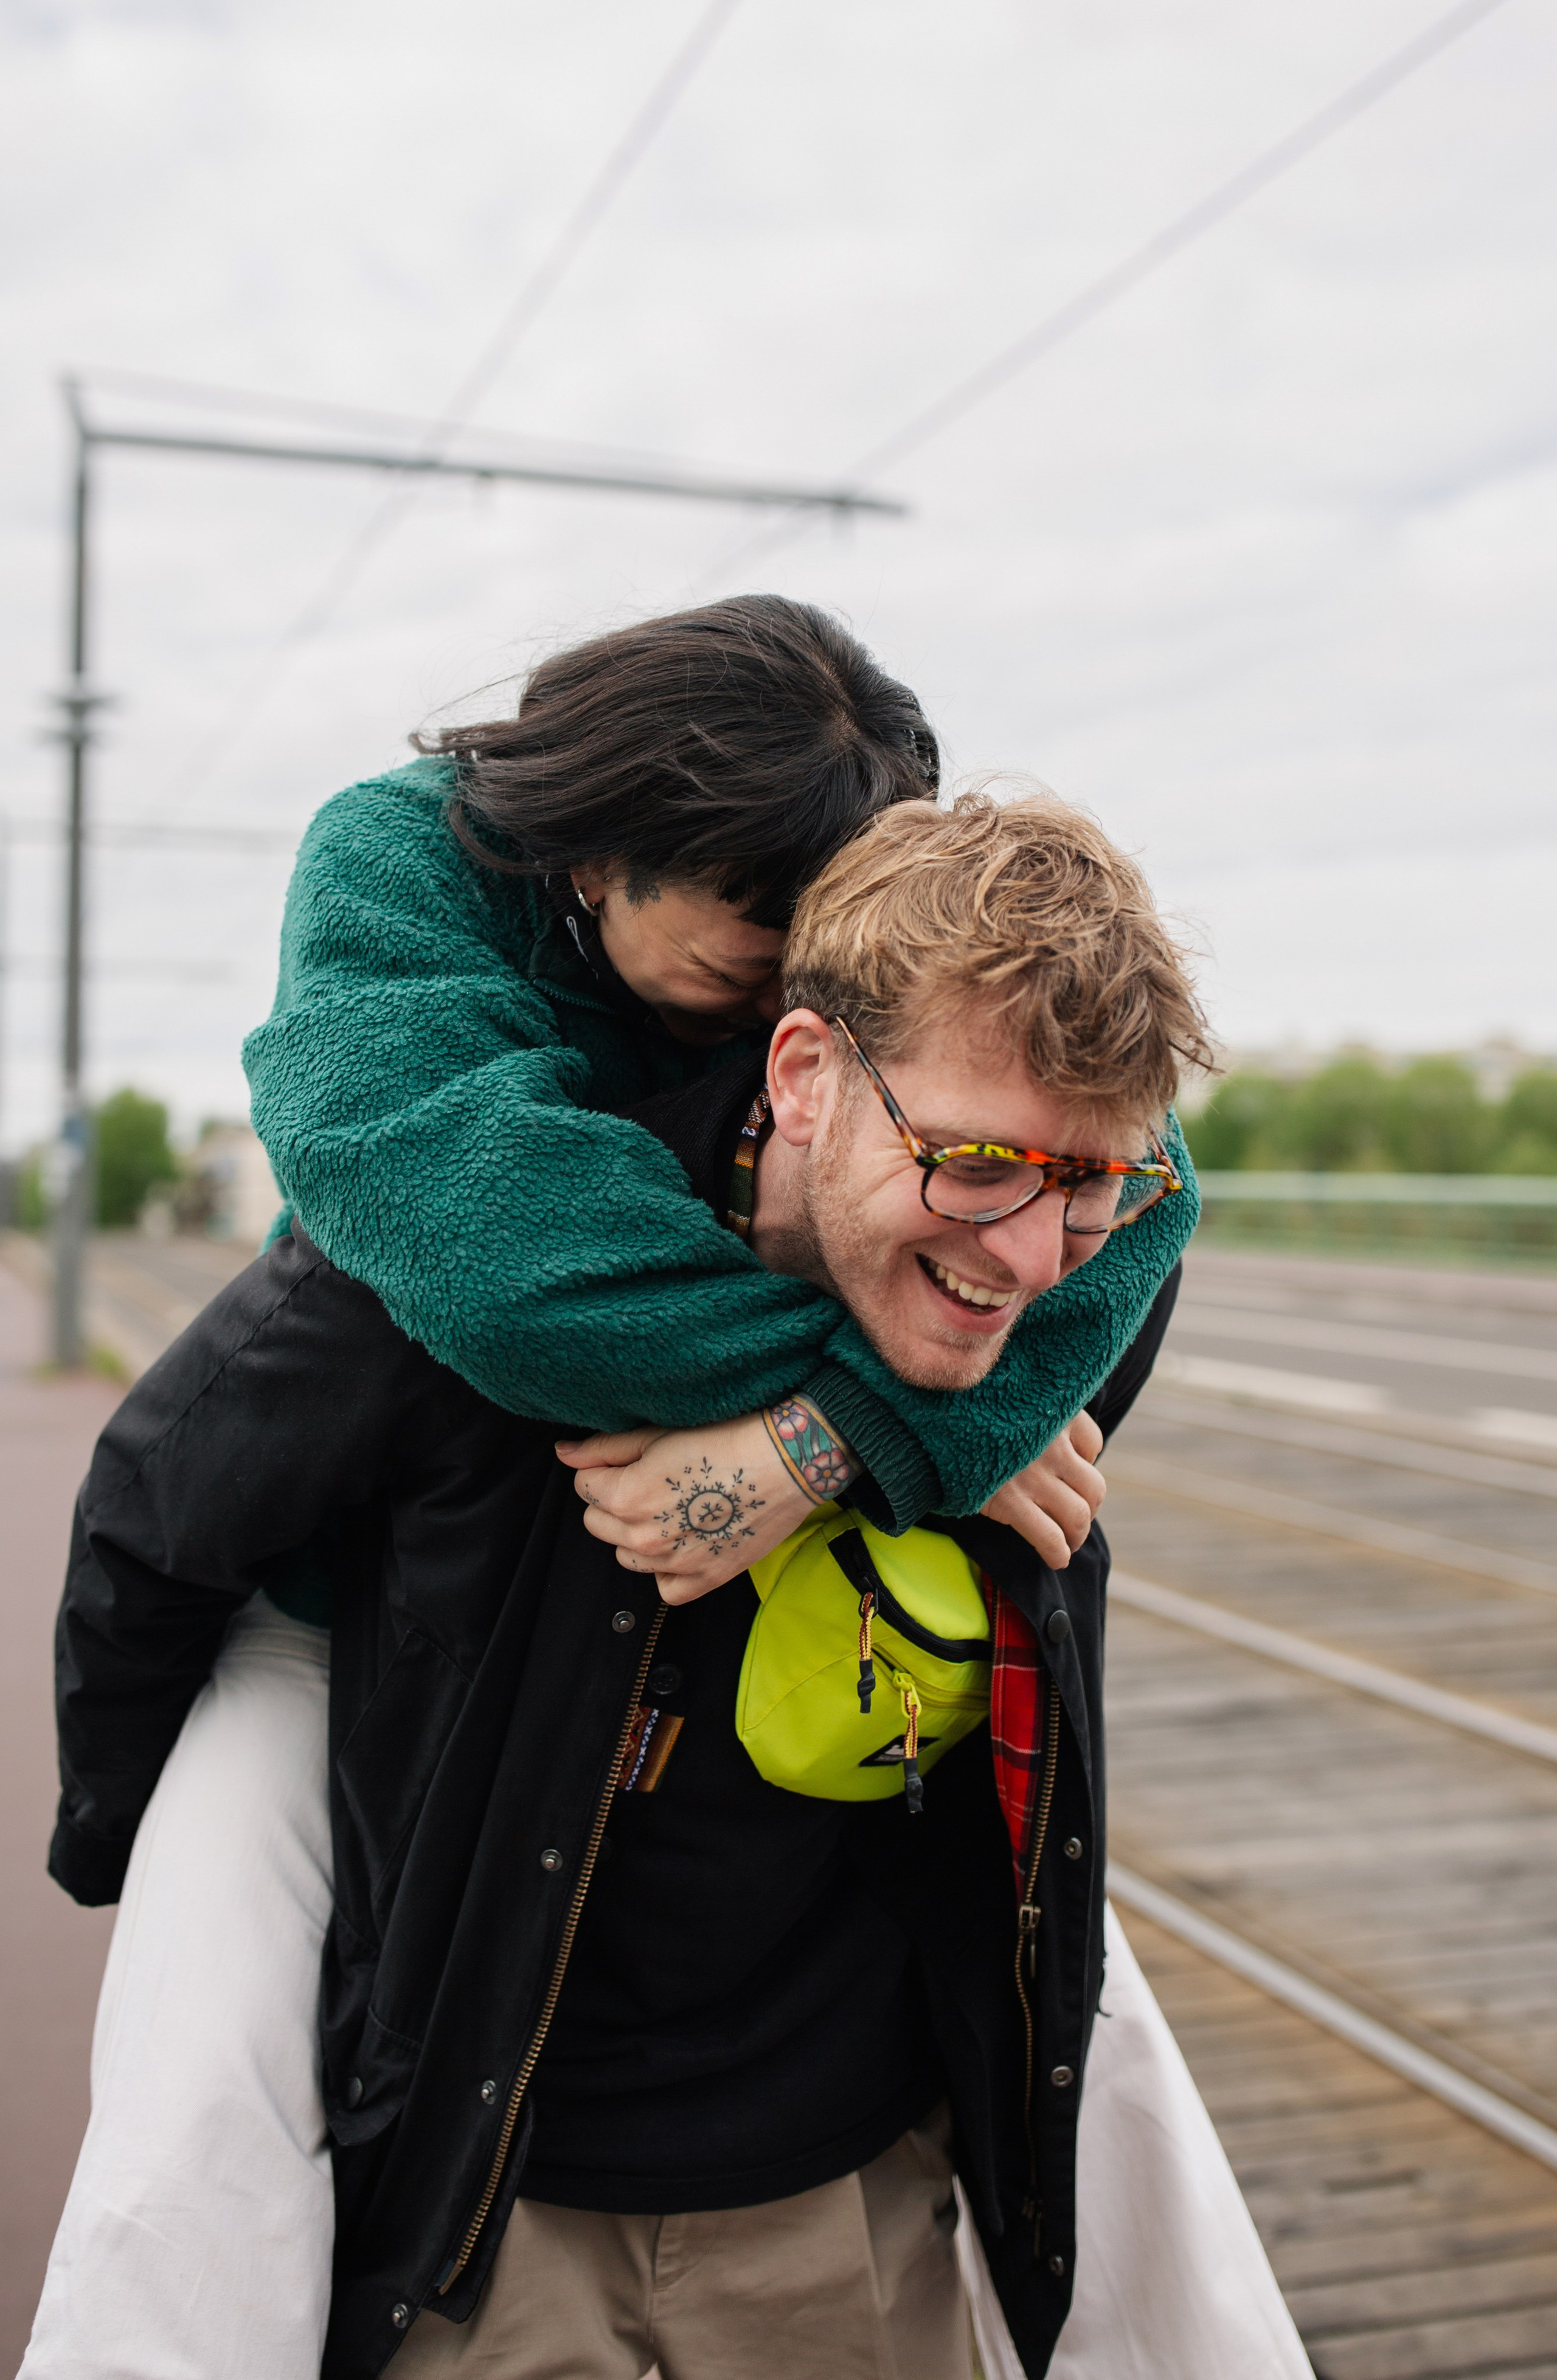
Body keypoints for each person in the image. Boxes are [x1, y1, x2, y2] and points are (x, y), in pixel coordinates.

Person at [24, 598, 1196, 2380]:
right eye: (765, 926)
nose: (802, 963)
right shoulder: (406, 878)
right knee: (193, 2114)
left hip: (819, 2151)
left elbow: (1149, 1200)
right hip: (369, 1584)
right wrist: (116, 1798)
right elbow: (489, 1266)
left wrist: (840, 1440)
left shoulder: (969, 1166)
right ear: (605, 854)